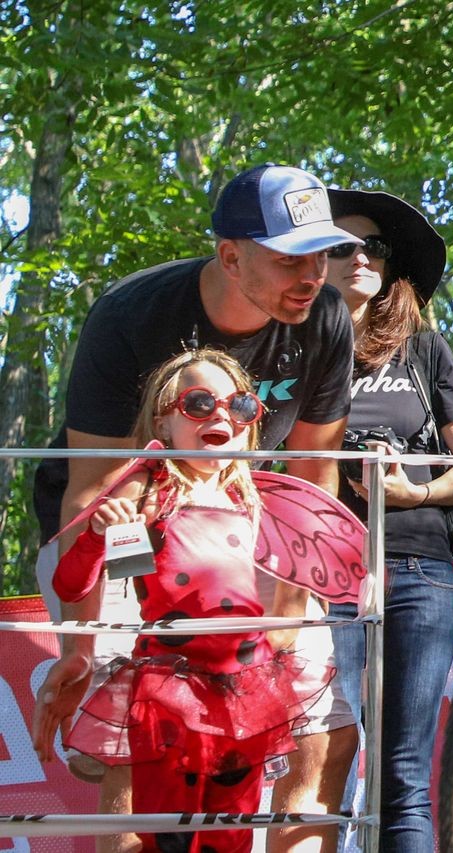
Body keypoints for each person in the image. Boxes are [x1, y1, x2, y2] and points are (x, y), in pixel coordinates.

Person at [31, 163, 359, 853]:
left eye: (323, 253)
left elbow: (313, 480)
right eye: (289, 258)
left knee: (321, 729)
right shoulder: (131, 313)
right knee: (138, 728)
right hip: (125, 521)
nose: (312, 275)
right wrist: (84, 648)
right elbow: (95, 488)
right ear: (230, 256)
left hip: (249, 525)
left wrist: (289, 620)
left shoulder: (326, 316)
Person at [40, 349, 322, 853]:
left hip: (247, 694)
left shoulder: (256, 497)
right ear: (163, 422)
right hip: (169, 694)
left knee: (229, 837)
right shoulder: (148, 491)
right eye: (198, 403)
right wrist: (96, 535)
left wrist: (285, 634)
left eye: (240, 405)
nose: (221, 416)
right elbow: (76, 585)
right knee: (167, 836)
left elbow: (292, 596)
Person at [322, 186, 453, 852]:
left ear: (391, 265)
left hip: (420, 566)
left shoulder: (427, 350)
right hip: (318, 574)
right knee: (327, 760)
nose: (359, 256)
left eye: (374, 247)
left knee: (403, 774)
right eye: (340, 245)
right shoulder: (289, 354)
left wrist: (415, 489)